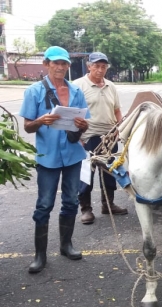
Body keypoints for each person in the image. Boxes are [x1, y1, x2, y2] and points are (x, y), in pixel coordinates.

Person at [19, 46, 90, 273]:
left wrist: (83, 126)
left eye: (64, 63)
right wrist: (41, 120)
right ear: (47, 64)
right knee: (44, 204)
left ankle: (66, 245)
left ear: (68, 66)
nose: (60, 67)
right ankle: (40, 255)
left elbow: (83, 122)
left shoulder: (76, 91)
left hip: (72, 156)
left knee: (70, 201)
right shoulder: (34, 91)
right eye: (56, 63)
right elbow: (28, 127)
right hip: (47, 157)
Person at [73, 52, 128, 224]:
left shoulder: (111, 86)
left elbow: (117, 110)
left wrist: (121, 129)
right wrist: (78, 137)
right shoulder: (78, 86)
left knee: (110, 174)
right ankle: (86, 209)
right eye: (96, 66)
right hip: (88, 137)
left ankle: (108, 204)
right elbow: (73, 114)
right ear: (89, 66)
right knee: (86, 175)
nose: (100, 69)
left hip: (109, 137)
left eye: (103, 66)